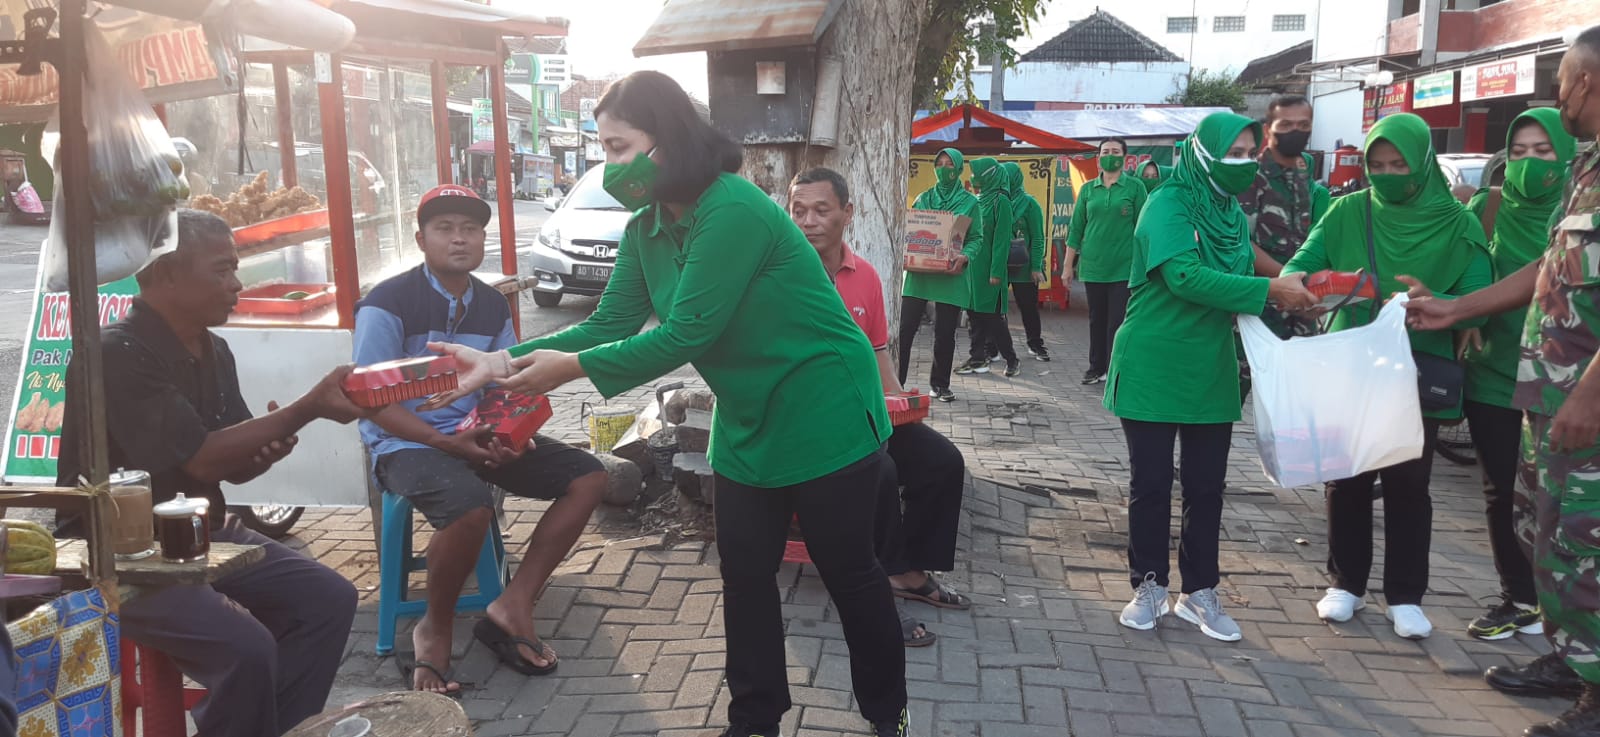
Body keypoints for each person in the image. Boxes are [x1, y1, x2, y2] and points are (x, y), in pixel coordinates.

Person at [417, 71, 908, 737]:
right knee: (745, 576)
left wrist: (563, 372)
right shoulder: (649, 226)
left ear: (666, 142)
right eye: (604, 149)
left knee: (850, 574)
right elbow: (607, 324)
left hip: (825, 408)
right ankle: (754, 721)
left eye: (620, 148)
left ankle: (890, 717)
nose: (609, 164)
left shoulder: (731, 209)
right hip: (747, 416)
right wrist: (503, 363)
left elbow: (686, 335)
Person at [56, 209, 364, 737]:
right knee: (246, 647)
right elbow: (200, 457)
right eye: (222, 270)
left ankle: (275, 728)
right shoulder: (115, 353)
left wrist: (261, 452)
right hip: (117, 550)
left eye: (235, 269)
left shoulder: (213, 348)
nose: (236, 284)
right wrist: (308, 405)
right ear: (169, 273)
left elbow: (228, 468)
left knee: (329, 599)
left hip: (203, 533)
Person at [1407, 28, 1600, 735]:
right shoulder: (1588, 169)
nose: (1557, 96)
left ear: (1582, 81)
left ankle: (1597, 695)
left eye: (1563, 83)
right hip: (1549, 393)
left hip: (1586, 400)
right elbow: (1548, 269)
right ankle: (1571, 657)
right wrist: (1456, 306)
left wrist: (1590, 394)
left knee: (1587, 540)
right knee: (1545, 531)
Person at [355, 184, 607, 692]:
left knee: (589, 476)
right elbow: (371, 401)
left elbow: (505, 380)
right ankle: (435, 626)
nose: (459, 239)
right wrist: (445, 442)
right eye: (444, 228)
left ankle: (513, 604)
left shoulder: (491, 304)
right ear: (421, 237)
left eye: (470, 228)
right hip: (406, 445)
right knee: (471, 506)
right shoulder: (387, 302)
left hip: (475, 435)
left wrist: (513, 430)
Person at [1105, 112, 1316, 641]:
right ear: (1203, 153)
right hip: (1155, 360)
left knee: (1207, 487)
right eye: (1236, 153)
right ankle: (1149, 585)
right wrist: (1273, 292)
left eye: (1251, 153)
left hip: (1211, 364)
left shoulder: (1227, 211)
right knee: (1151, 484)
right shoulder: (1167, 203)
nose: (1245, 163)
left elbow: (1245, 264)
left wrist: (1294, 285)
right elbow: (1184, 276)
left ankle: (1198, 593)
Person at [1282, 113, 1493, 640]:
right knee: (1346, 478)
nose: (1388, 174)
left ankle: (1405, 595)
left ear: (1422, 162)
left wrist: (1441, 304)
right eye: (1377, 165)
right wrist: (1301, 288)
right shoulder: (1347, 211)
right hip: (1353, 366)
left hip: (1416, 371)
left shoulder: (1456, 221)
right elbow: (1302, 264)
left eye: (1399, 164)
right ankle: (1345, 583)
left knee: (1408, 484)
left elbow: (1477, 293)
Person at [787, 167, 972, 649]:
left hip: (864, 416)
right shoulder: (778, 278)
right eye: (799, 210)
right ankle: (879, 584)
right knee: (880, 472)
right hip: (805, 425)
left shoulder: (864, 275)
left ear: (848, 214)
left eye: (821, 210)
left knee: (942, 461)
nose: (808, 221)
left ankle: (909, 569)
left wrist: (900, 401)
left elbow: (876, 351)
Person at [1458, 109, 1577, 642]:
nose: (1529, 164)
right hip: (1493, 370)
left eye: (1543, 152)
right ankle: (1519, 597)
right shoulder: (1489, 206)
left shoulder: (1578, 212)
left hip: (1561, 380)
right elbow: (1468, 268)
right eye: (1520, 153)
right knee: (1501, 492)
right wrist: (1464, 315)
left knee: (1559, 498)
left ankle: (1565, 609)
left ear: (1567, 154)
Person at [1237, 94, 1333, 339]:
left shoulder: (1301, 176)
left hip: (1301, 308)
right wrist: (1289, 278)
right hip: (1261, 309)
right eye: (1286, 125)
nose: (1295, 131)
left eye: (1303, 125)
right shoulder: (1250, 176)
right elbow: (1240, 243)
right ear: (1269, 130)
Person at [1068, 138, 1148, 385]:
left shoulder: (1135, 188)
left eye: (1115, 151)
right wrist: (1067, 266)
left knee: (1117, 321)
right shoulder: (1088, 189)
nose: (1109, 155)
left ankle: (1115, 368)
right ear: (1098, 157)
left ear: (1125, 157)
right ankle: (1095, 367)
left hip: (1124, 267)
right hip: (1093, 266)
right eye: (1105, 152)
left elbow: (1144, 230)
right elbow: (1076, 229)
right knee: (1096, 319)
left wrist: (1145, 266)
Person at [901, 147, 977, 401]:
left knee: (945, 333)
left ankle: (940, 384)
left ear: (958, 168)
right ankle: (895, 382)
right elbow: (908, 229)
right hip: (919, 274)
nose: (944, 169)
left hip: (950, 274)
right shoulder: (923, 198)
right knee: (904, 329)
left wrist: (966, 256)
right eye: (940, 163)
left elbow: (977, 238)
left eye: (950, 164)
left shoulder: (970, 202)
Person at [955, 157, 1020, 378]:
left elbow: (1002, 240)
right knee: (974, 315)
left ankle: (1011, 359)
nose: (973, 177)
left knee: (993, 318)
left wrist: (996, 271)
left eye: (977, 172)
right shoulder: (977, 199)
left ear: (990, 173)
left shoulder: (1001, 201)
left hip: (990, 271)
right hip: (972, 269)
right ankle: (977, 358)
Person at [1000, 161, 1049, 361]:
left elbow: (1038, 237)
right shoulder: (996, 201)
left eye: (1007, 177)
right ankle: (993, 347)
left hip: (1025, 266)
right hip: (999, 266)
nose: (1004, 181)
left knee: (1028, 307)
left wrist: (1036, 266)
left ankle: (1035, 344)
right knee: (995, 309)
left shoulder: (1030, 204)